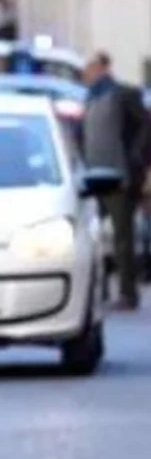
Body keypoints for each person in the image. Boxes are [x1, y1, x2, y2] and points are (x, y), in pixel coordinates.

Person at [82, 51, 151, 310]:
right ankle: (98, 291)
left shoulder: (123, 94)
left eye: (89, 68)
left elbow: (145, 127)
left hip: (119, 175)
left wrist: (135, 158)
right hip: (93, 175)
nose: (85, 74)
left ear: (101, 67)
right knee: (92, 235)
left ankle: (127, 292)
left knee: (123, 237)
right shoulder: (90, 97)